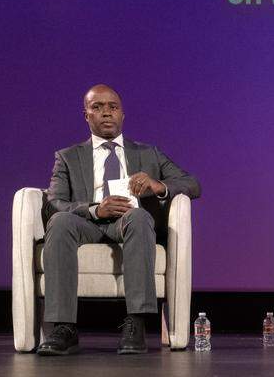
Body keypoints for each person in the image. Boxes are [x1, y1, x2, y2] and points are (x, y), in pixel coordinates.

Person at [36, 84, 201, 356]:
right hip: (87, 223)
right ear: (86, 115)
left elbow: (192, 184)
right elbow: (54, 202)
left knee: (138, 215)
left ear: (123, 114)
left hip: (129, 223)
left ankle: (135, 323)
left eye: (112, 107)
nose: (106, 113)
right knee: (60, 221)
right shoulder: (67, 156)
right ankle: (64, 327)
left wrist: (156, 185)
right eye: (97, 107)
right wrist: (94, 210)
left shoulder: (149, 153)